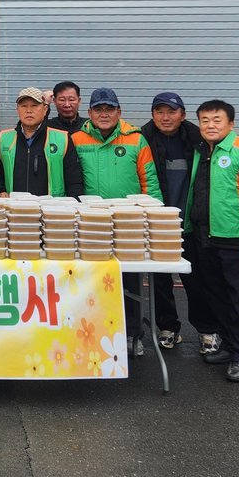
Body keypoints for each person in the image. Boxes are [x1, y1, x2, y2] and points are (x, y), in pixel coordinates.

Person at [182, 99, 239, 384]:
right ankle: (229, 345)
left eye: (217, 120)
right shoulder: (201, 152)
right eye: (204, 120)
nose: (210, 125)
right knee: (216, 296)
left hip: (236, 239)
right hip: (204, 237)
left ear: (230, 123)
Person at [71, 88, 164, 357]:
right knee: (92, 279)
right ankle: (93, 333)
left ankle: (133, 334)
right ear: (89, 113)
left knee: (131, 280)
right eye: (98, 109)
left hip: (128, 222)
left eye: (109, 109)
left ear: (119, 112)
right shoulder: (76, 139)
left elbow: (149, 180)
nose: (104, 114)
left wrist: (154, 218)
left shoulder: (136, 139)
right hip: (90, 222)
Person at [139, 91, 204, 351]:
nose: (165, 117)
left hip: (190, 224)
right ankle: (168, 328)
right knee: (159, 282)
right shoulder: (143, 138)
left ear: (183, 115)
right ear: (153, 115)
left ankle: (206, 330)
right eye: (160, 112)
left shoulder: (199, 139)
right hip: (157, 225)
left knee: (197, 281)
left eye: (171, 112)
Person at [0, 87, 84, 197]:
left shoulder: (62, 139)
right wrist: (1, 190)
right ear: (17, 109)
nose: (29, 110)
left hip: (52, 206)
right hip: (14, 206)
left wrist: (72, 204)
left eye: (34, 105)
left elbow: (74, 181)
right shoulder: (3, 139)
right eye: (24, 106)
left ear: (45, 109)